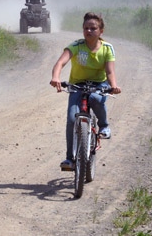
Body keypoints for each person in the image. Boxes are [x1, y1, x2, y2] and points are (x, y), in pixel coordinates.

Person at [50, 12, 121, 171]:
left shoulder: (107, 48)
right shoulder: (76, 46)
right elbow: (60, 63)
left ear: (101, 31)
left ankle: (104, 126)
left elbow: (110, 71)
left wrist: (114, 86)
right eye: (86, 28)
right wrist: (55, 77)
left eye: (93, 28)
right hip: (77, 85)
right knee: (71, 119)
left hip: (99, 85)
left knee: (95, 98)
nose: (89, 31)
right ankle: (70, 159)